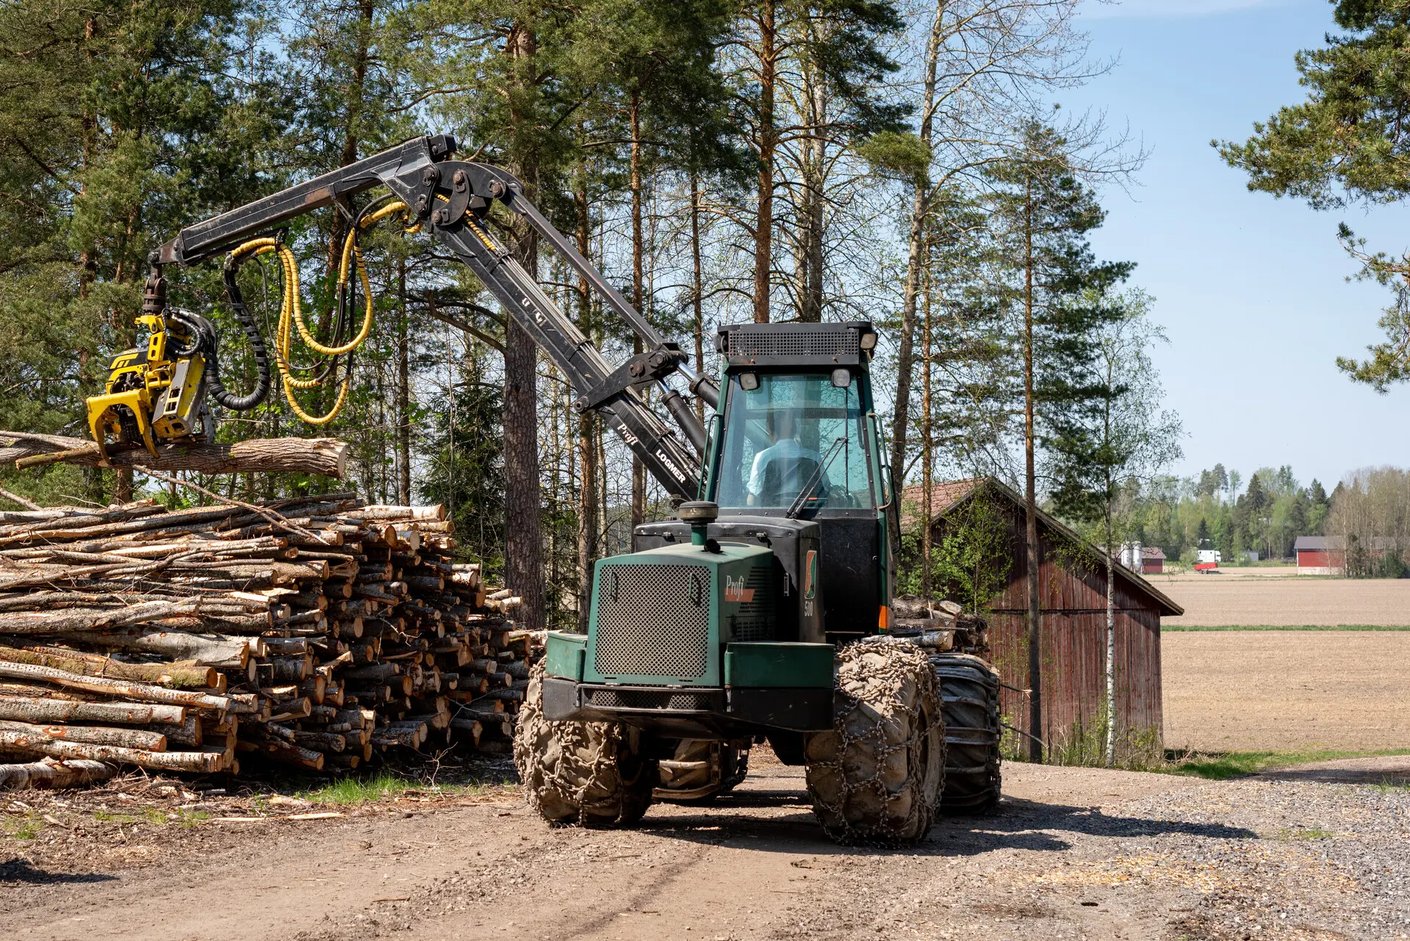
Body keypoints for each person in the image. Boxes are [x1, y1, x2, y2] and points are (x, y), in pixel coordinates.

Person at [746, 409, 827, 506]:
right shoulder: (814, 457)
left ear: (771, 431)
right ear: (795, 430)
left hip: (771, 513)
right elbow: (826, 490)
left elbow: (753, 495)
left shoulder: (763, 457)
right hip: (810, 512)